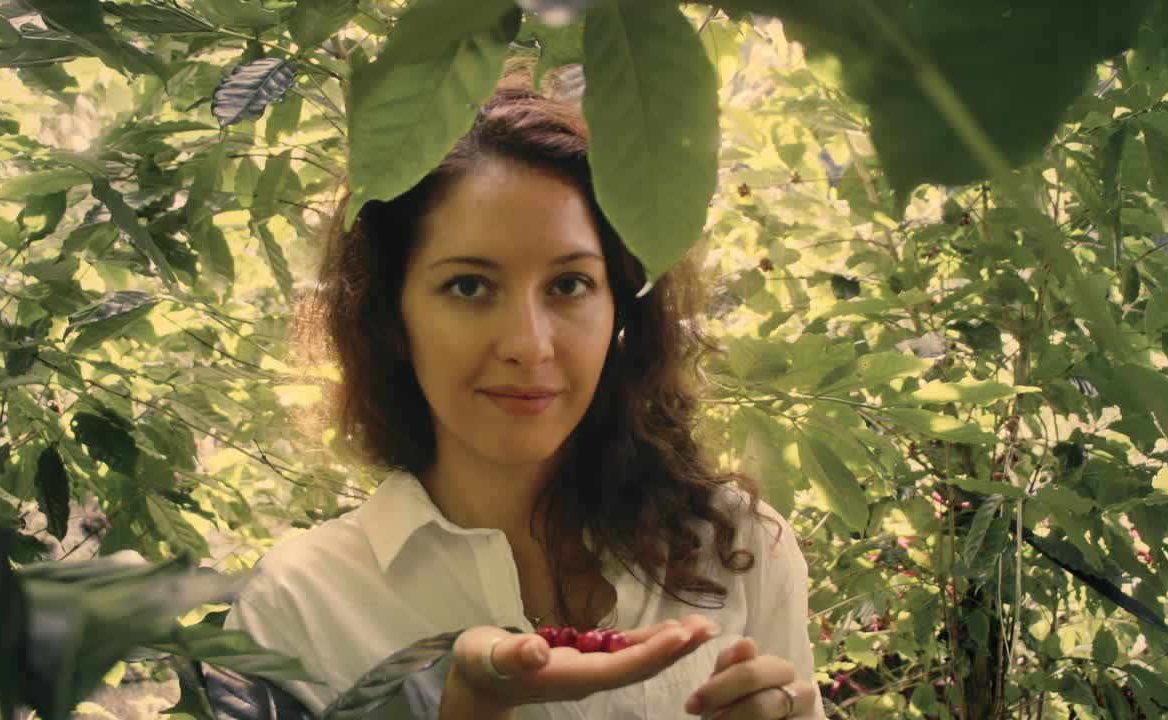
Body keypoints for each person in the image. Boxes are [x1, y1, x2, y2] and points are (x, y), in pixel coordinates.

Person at [224, 69, 826, 720]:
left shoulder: (737, 549)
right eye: (469, 287)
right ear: (392, 318)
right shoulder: (302, 605)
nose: (529, 344)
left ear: (620, 310)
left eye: (568, 286)